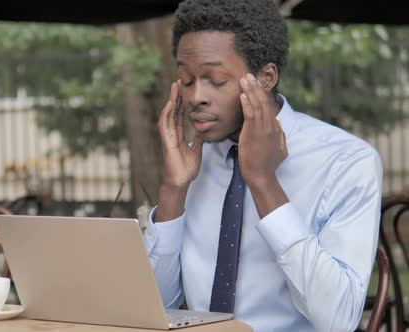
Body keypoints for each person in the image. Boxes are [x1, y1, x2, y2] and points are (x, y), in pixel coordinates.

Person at [142, 0, 383, 331]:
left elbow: (339, 319)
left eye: (215, 79)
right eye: (186, 79)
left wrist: (264, 183)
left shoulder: (346, 161)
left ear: (266, 77)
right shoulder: (192, 163)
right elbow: (154, 309)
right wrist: (173, 189)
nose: (196, 96)